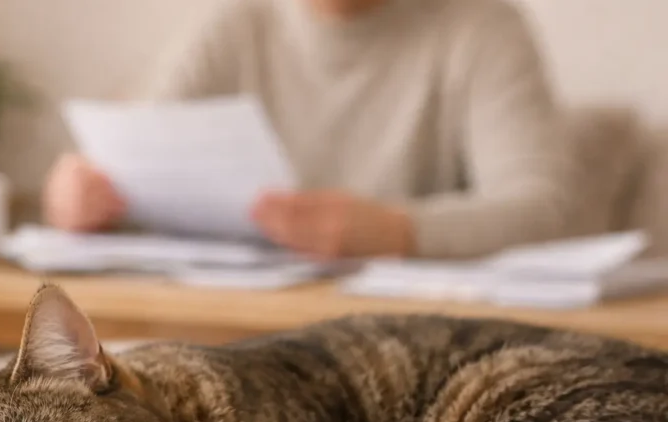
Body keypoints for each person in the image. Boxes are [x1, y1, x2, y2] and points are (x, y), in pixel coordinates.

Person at [43, 0, 572, 260]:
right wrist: (75, 198)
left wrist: (398, 232)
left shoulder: (481, 27)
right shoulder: (236, 25)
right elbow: (129, 165)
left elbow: (542, 210)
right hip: (230, 331)